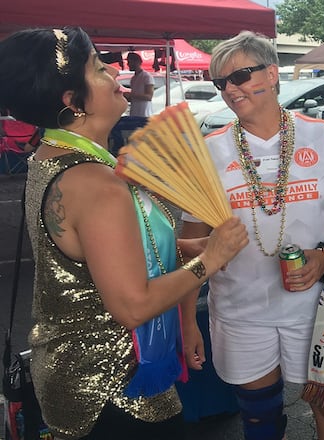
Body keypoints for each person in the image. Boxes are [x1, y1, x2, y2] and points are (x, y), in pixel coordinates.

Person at [0, 27, 249, 440]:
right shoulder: (95, 183)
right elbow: (132, 306)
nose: (115, 70)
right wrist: (212, 259)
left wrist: (191, 246)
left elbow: (101, 256)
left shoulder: (53, 157)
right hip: (113, 388)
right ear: (72, 101)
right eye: (99, 67)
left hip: (72, 374)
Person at [180, 31, 324, 440]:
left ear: (272, 73)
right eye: (221, 83)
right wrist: (186, 320)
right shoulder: (209, 151)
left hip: (314, 306)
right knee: (260, 418)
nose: (230, 89)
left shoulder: (321, 136)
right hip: (240, 311)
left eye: (240, 76)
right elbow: (190, 244)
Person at [124, 52, 155, 117]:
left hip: (144, 114)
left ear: (137, 62)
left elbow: (149, 97)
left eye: (130, 62)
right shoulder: (133, 78)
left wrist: (131, 95)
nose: (128, 64)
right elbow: (135, 97)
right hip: (135, 113)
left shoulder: (147, 76)